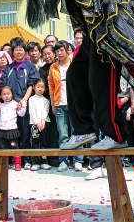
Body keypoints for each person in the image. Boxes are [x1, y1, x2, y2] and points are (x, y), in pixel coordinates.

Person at [0, 37, 40, 168]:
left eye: (21, 49)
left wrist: (23, 100)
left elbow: (31, 85)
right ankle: (14, 160)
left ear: (25, 51)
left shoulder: (29, 66)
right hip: (10, 106)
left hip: (24, 104)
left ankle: (26, 159)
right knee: (12, 133)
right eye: (16, 50)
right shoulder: (9, 68)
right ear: (12, 52)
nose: (18, 52)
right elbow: (3, 86)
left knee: (25, 132)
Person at [49, 40, 86, 172]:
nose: (59, 53)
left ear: (67, 50)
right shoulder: (53, 67)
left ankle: (78, 160)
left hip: (74, 104)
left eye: (62, 50)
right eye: (57, 51)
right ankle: (63, 161)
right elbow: (52, 87)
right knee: (63, 134)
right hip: (60, 104)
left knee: (77, 133)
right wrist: (53, 104)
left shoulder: (74, 64)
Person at [0, 85, 27, 171]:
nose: (6, 96)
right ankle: (4, 164)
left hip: (12, 130)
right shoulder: (0, 105)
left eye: (8, 93)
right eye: (4, 94)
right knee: (3, 148)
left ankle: (17, 163)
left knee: (14, 146)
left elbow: (21, 114)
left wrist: (22, 105)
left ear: (12, 94)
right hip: (2, 130)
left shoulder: (15, 104)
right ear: (1, 96)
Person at [28, 79, 51, 171]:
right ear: (34, 87)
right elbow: (32, 112)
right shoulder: (31, 99)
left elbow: (45, 111)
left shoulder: (46, 100)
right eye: (38, 87)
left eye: (42, 87)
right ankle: (35, 161)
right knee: (35, 142)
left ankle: (44, 161)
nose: (40, 89)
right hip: (34, 124)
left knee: (44, 142)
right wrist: (37, 122)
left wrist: (42, 121)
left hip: (44, 123)